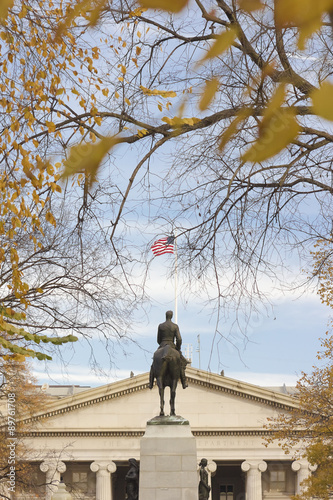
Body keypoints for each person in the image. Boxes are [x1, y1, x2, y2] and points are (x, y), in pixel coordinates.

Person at [156, 310, 187, 389]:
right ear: (172, 316)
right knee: (181, 363)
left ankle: (151, 380)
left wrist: (162, 343)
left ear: (166, 316)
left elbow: (158, 340)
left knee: (154, 361)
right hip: (172, 346)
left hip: (162, 345)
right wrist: (178, 348)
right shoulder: (175, 326)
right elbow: (179, 339)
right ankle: (184, 382)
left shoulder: (160, 326)